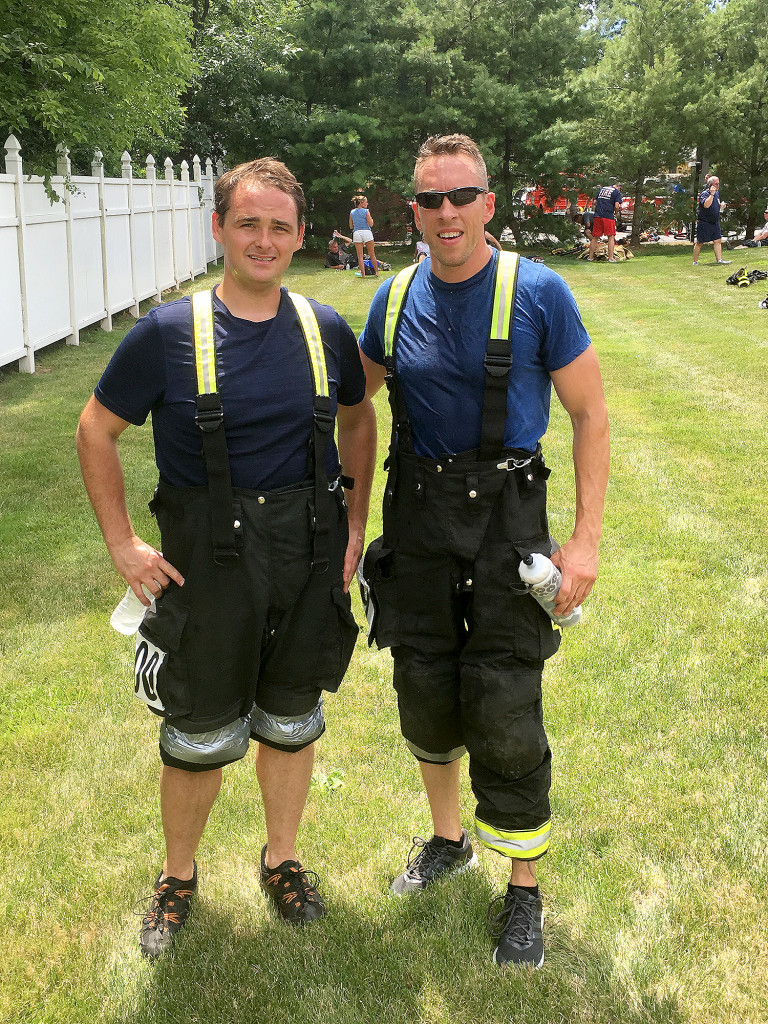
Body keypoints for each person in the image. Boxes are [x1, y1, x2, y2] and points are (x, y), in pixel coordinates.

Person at [76, 157, 376, 959]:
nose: (264, 239)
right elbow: (95, 430)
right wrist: (122, 543)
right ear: (218, 228)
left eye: (280, 225)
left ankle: (281, 859)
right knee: (199, 729)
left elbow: (358, 419)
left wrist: (355, 521)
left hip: (308, 557)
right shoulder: (167, 334)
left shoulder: (324, 328)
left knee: (289, 718)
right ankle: (178, 876)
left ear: (302, 235)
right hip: (207, 563)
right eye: (248, 222)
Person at [358, 134, 609, 969]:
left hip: (507, 524)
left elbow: (590, 417)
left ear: (489, 203)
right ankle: (448, 840)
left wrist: (584, 542)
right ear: (414, 210)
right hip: (420, 520)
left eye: (461, 197)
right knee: (425, 687)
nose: (446, 214)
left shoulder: (538, 292)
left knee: (504, 705)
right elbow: (353, 407)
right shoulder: (392, 298)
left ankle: (525, 891)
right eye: (430, 201)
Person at [692, 175, 731, 266]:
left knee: (717, 240)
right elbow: (706, 205)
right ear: (710, 185)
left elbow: (715, 206)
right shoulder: (705, 194)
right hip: (704, 222)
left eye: (718, 184)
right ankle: (695, 261)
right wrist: (712, 194)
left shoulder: (717, 193)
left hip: (714, 222)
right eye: (716, 184)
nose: (718, 185)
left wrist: (721, 207)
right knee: (700, 242)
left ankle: (719, 260)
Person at [588, 182, 622, 262]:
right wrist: (616, 213)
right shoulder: (617, 192)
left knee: (595, 237)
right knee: (611, 236)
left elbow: (594, 202)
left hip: (598, 216)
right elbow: (617, 206)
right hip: (608, 216)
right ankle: (611, 258)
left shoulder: (602, 189)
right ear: (619, 187)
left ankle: (590, 257)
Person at [349, 195, 379, 277]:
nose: (367, 203)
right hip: (366, 232)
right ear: (361, 203)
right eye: (366, 202)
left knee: (360, 256)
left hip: (357, 233)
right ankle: (376, 272)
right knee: (372, 254)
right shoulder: (366, 211)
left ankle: (363, 274)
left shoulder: (352, 212)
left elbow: (351, 226)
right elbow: (371, 224)